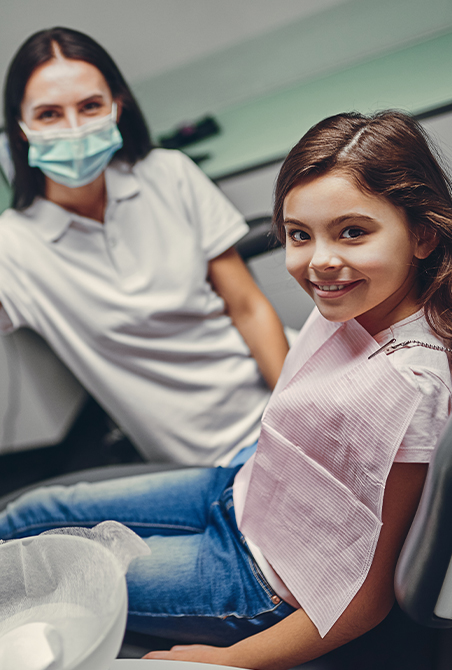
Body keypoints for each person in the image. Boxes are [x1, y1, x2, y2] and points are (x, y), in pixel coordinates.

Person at [1, 110, 451, 669]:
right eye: (299, 235)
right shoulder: (354, 304)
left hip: (253, 576)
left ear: (424, 234)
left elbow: (366, 600)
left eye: (353, 232)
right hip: (242, 490)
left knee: (45, 578)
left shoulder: (410, 386)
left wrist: (231, 660)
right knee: (30, 513)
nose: (321, 262)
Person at [0, 27, 289, 466]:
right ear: (20, 129)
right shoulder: (13, 247)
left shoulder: (169, 173)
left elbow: (247, 307)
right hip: (216, 459)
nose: (74, 129)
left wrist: (299, 413)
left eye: (90, 106)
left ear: (117, 107)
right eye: (49, 115)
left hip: (286, 388)